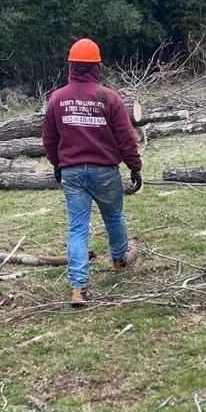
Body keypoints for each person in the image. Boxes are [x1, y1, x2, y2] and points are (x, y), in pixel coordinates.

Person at [42, 38, 143, 307]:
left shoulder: (57, 99)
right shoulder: (108, 98)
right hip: (105, 172)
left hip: (72, 173)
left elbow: (49, 140)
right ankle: (120, 259)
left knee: (77, 229)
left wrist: (57, 163)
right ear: (97, 66)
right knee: (113, 217)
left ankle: (78, 288)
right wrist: (134, 166)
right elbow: (126, 138)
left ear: (72, 65)